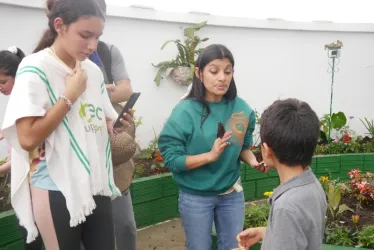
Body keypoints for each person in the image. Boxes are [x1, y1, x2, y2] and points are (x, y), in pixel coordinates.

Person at [1, 0, 132, 249]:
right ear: (59, 26)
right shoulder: (35, 68)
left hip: (96, 181)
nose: (92, 45)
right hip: (55, 187)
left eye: (97, 36)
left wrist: (117, 126)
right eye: (85, 35)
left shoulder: (91, 71)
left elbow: (97, 122)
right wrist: (69, 96)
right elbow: (27, 138)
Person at [158, 44, 265, 250]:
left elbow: (241, 146)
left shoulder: (241, 109)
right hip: (195, 196)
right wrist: (209, 156)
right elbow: (172, 160)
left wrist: (253, 161)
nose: (222, 78)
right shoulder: (185, 112)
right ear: (199, 73)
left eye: (227, 72)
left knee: (234, 246)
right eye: (214, 71)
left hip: (231, 194)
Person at [234, 99, 327, 250]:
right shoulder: (312, 186)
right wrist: (265, 233)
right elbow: (302, 234)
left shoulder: (286, 207)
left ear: (266, 150)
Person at [87, 1, 137, 250]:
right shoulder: (53, 56)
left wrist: (95, 94)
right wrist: (105, 91)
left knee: (125, 226)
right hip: (83, 156)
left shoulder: (107, 51)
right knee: (88, 231)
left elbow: (126, 89)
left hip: (115, 152)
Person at [0, 46, 44, 250]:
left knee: (33, 238)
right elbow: (21, 155)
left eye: (2, 82)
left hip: (36, 185)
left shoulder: (26, 106)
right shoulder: (19, 104)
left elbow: (30, 154)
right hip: (31, 181)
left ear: (18, 76)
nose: (0, 87)